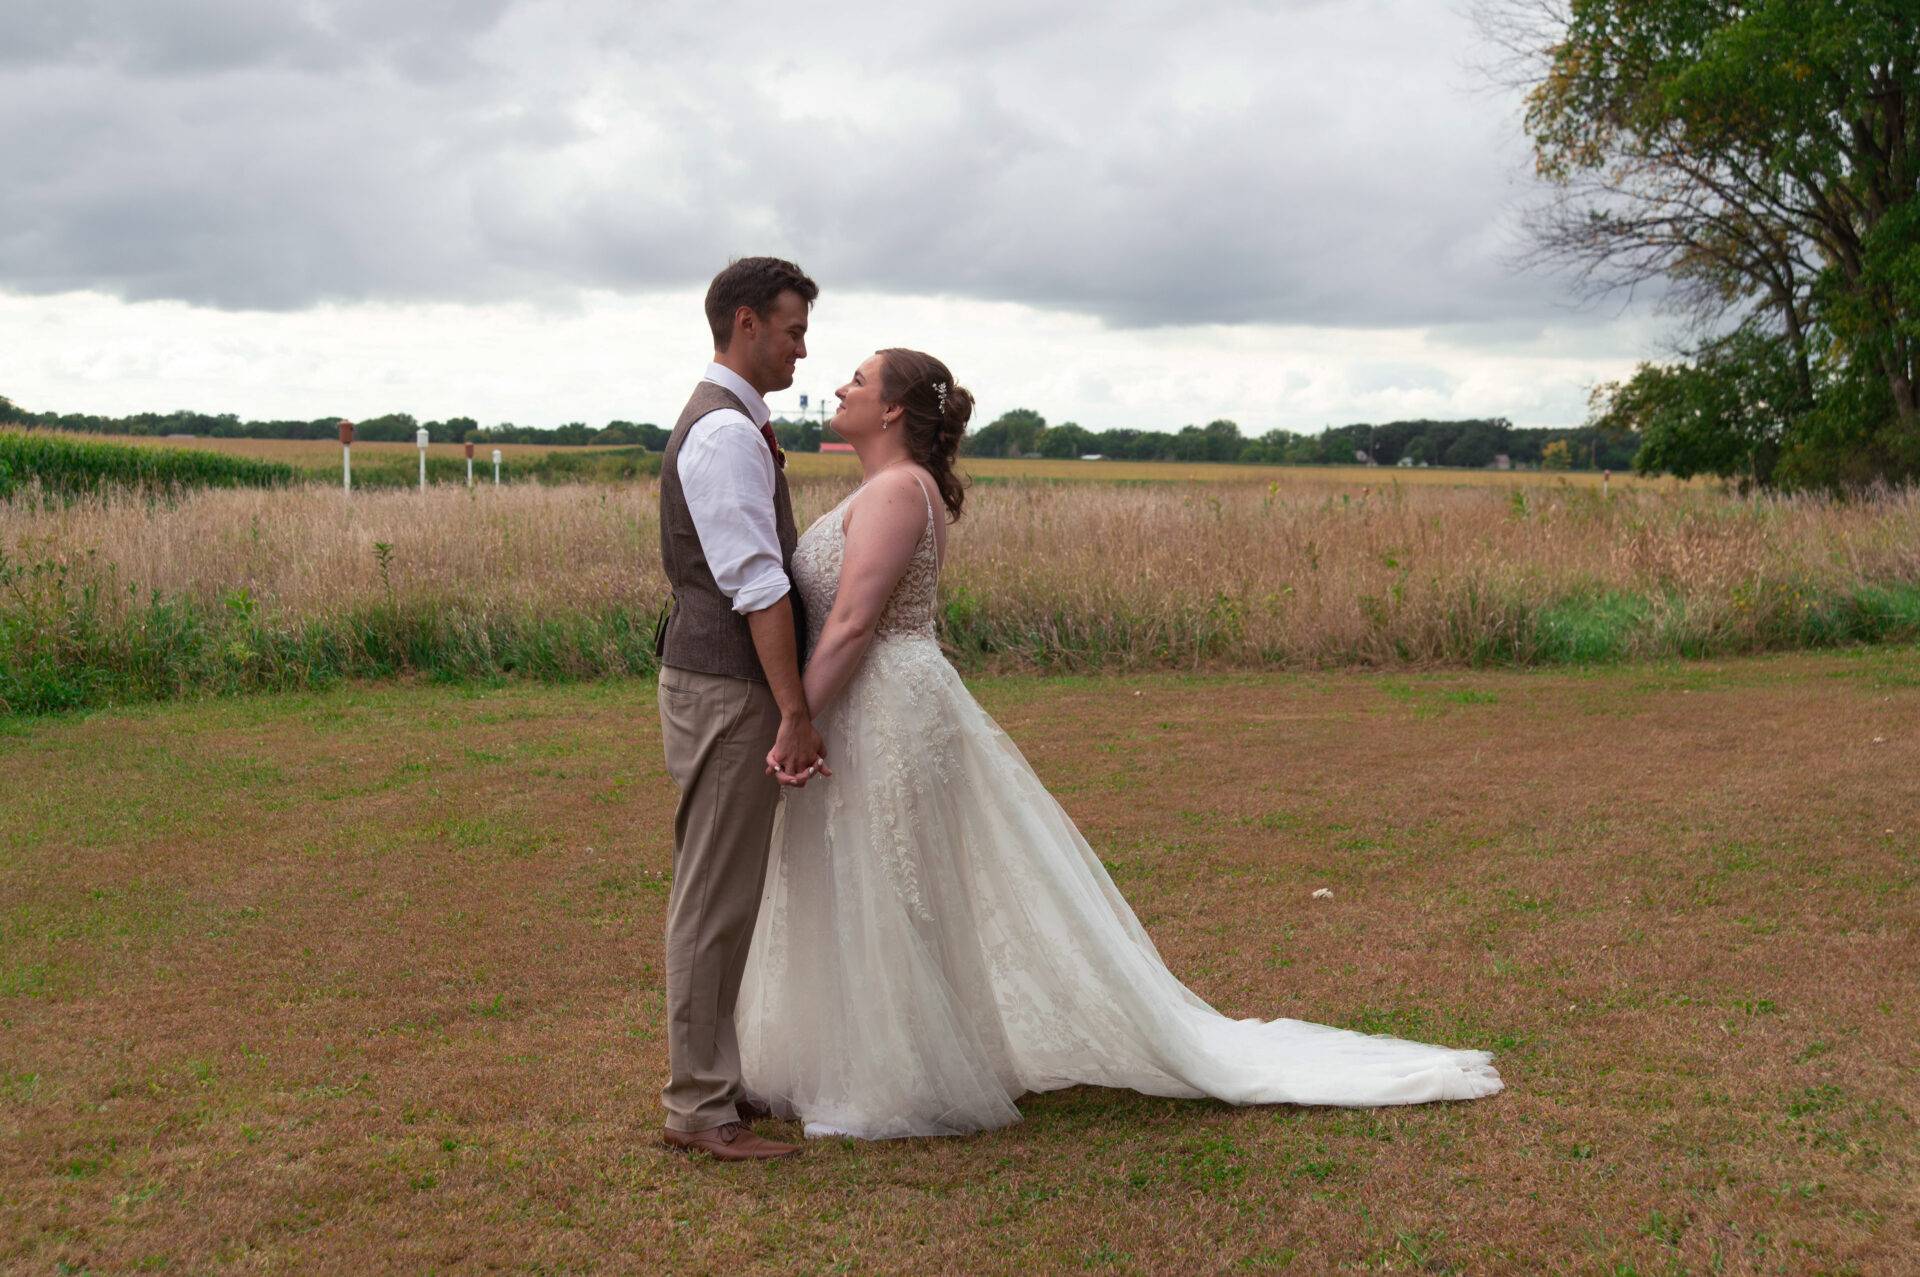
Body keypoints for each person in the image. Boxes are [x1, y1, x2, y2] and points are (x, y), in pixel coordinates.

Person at [735, 348, 1505, 1140]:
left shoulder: (899, 489)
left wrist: (796, 719)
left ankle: (902, 1075)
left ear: (893, 409)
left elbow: (856, 620)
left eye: (859, 379)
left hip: (887, 702)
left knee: (894, 878)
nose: (839, 386)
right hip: (870, 700)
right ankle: (864, 1053)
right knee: (864, 871)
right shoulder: (884, 487)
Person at [654, 257, 829, 1162]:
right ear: (748, 322)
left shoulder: (737, 424)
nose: (804, 349)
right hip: (728, 687)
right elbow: (756, 586)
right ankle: (696, 1107)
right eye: (795, 330)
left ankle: (713, 1083)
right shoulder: (723, 433)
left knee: (727, 891)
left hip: (723, 682)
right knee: (712, 897)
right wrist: (793, 710)